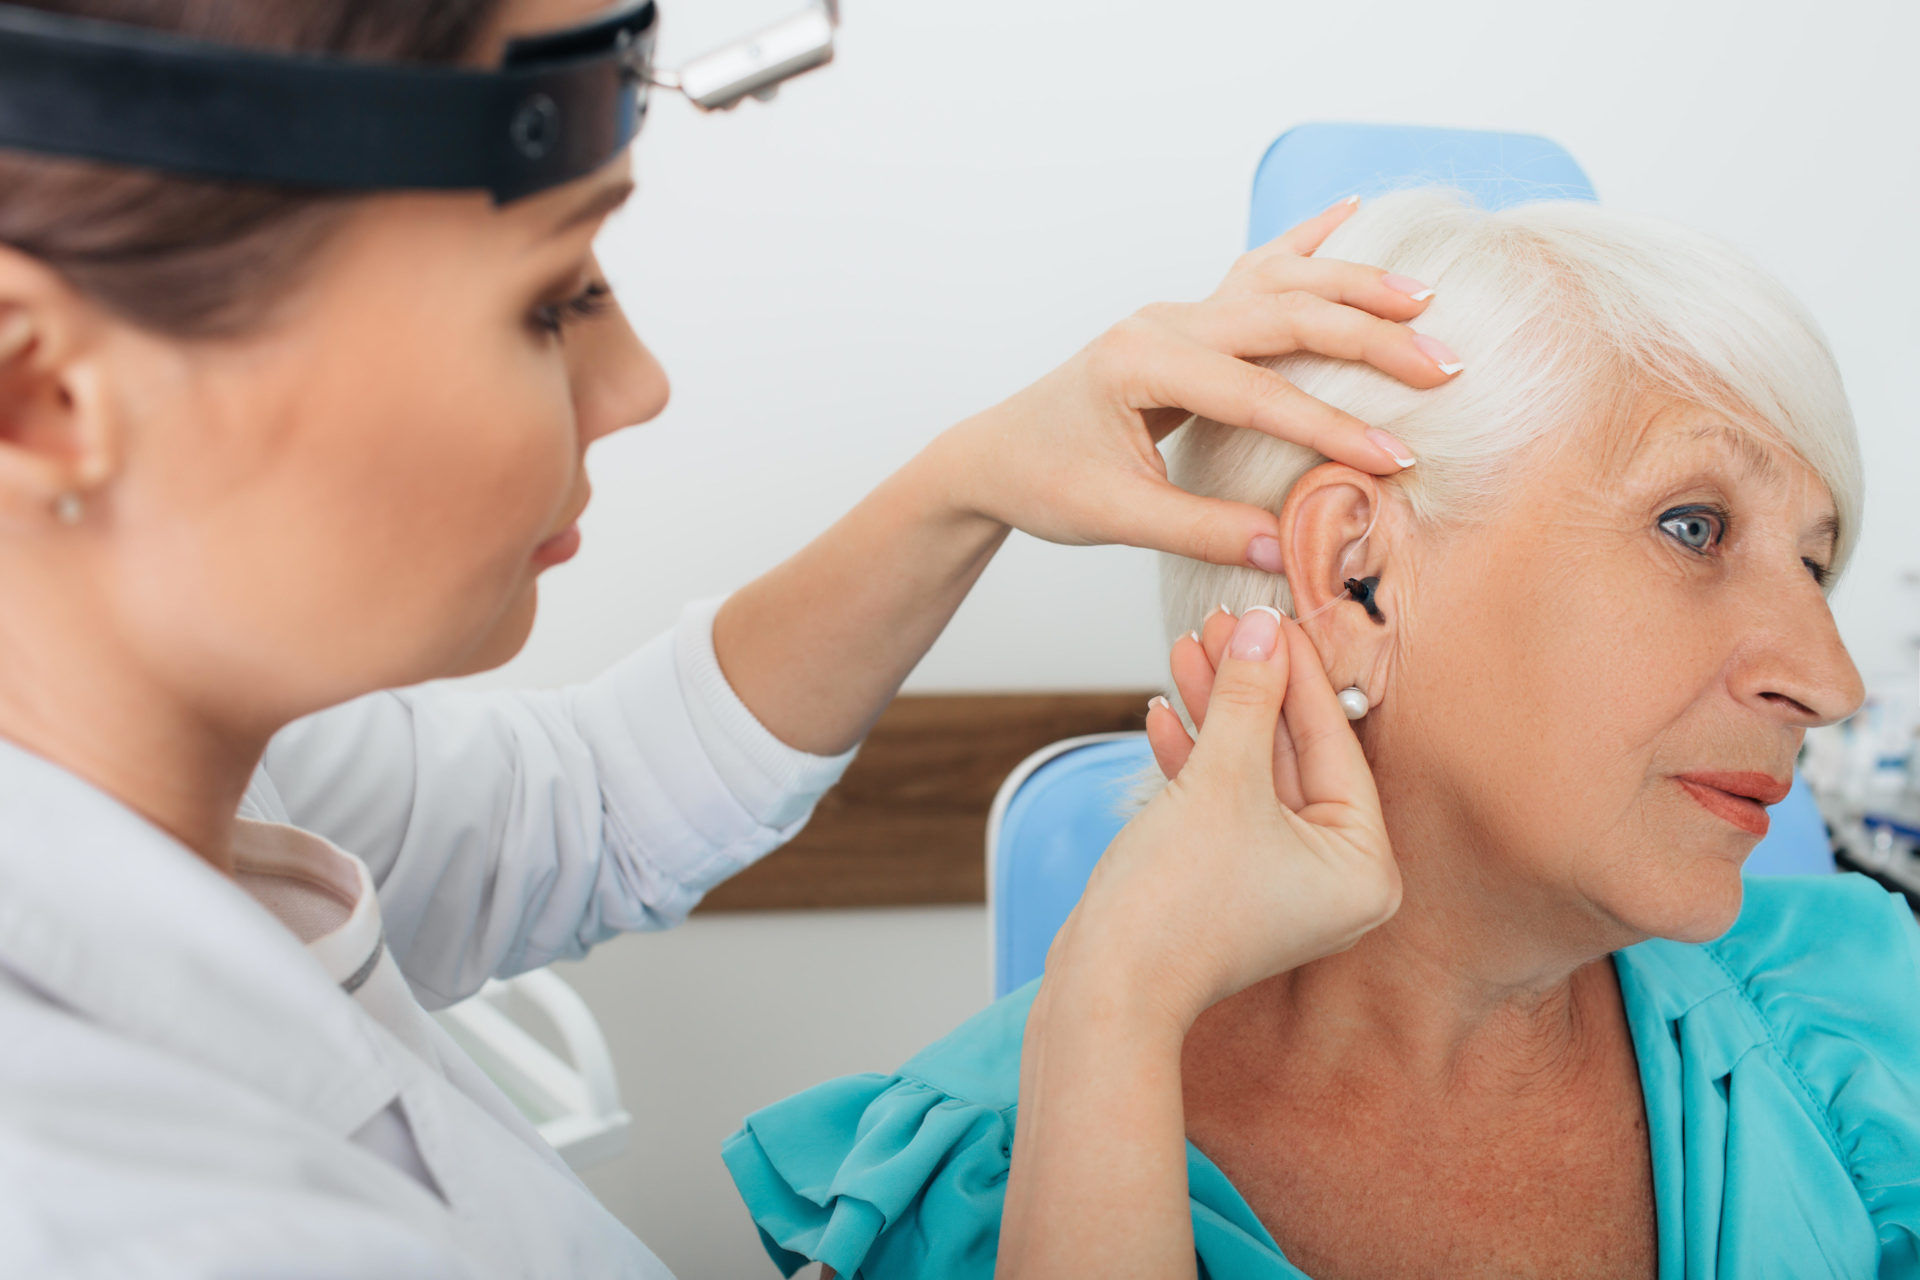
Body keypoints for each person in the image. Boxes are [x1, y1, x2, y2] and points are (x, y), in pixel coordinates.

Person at [0, 0, 1473, 1275]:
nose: (636, 383)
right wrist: (1114, 999)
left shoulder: (184, 768)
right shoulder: (116, 1217)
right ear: (46, 394)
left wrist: (975, 478)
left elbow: (575, 803)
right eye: (548, 301)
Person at [723, 190, 1920, 1279]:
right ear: (1357, 580)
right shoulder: (976, 1194)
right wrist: (1113, 1005)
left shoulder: (1859, 1021)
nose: (1829, 677)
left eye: (1815, 564)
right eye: (1695, 525)